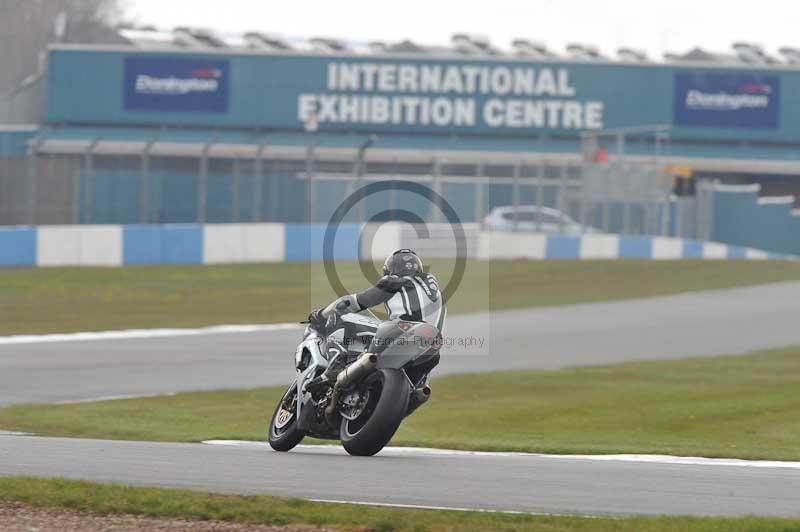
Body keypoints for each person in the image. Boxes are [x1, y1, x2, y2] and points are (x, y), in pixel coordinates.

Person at [305, 249, 446, 393]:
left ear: (392, 268)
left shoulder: (395, 281)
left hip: (402, 331)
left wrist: (321, 314)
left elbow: (352, 302)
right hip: (431, 351)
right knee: (413, 393)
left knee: (338, 316)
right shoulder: (439, 296)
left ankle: (335, 368)